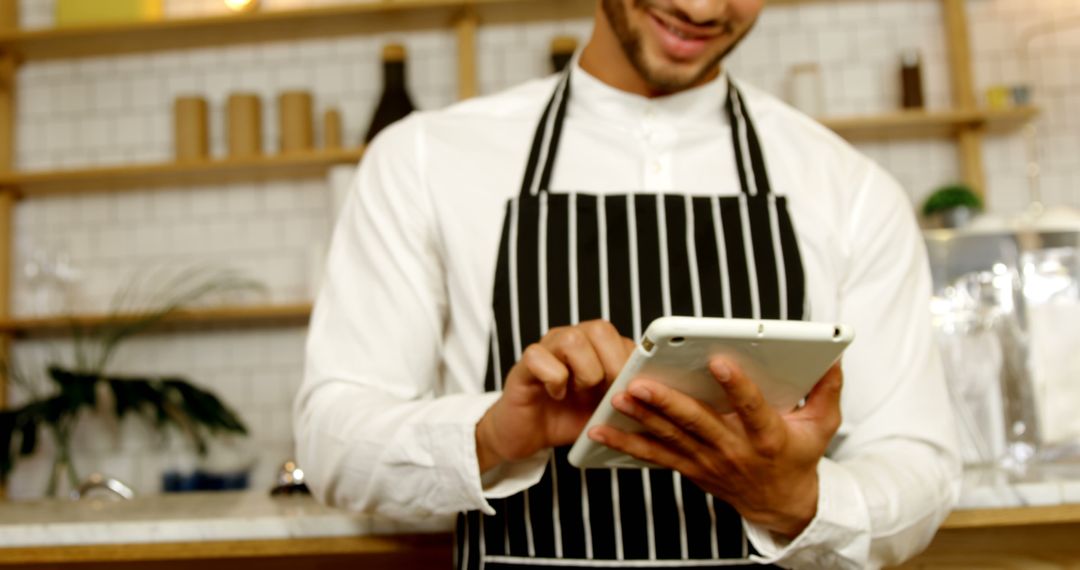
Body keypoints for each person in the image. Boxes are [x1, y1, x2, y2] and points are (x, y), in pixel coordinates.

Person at [295, 0, 961, 568]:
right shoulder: (423, 161)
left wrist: (796, 503)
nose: (704, 9)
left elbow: (917, 461)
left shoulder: (850, 189)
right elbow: (332, 442)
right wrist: (496, 432)